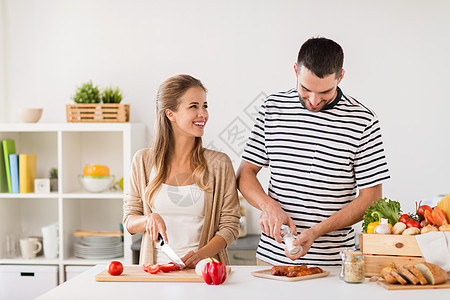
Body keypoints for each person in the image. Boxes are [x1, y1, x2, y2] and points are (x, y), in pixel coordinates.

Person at [237, 37, 390, 266]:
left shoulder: (363, 121)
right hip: (271, 261)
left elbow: (371, 199)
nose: (314, 101)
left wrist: (316, 231)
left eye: (325, 92)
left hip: (332, 265)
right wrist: (269, 207)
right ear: (295, 71)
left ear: (341, 77)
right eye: (305, 89)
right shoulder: (272, 108)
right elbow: (245, 174)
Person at [123, 74, 240, 268]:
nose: (203, 114)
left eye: (205, 106)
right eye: (193, 106)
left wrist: (201, 255)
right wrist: (148, 219)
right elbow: (129, 220)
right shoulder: (142, 161)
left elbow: (230, 225)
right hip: (156, 274)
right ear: (170, 114)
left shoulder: (220, 164)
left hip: (205, 272)